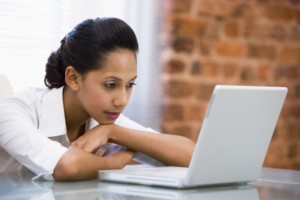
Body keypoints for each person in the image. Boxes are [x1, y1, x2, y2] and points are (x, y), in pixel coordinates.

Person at [0, 17, 195, 181]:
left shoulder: (103, 121)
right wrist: (113, 163)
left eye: (129, 85)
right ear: (74, 78)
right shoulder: (12, 112)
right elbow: (69, 166)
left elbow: (193, 157)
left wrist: (112, 132)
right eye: (110, 84)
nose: (122, 100)